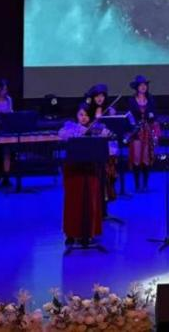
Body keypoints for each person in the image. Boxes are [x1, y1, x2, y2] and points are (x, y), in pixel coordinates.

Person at [58, 103, 111, 246]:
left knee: (90, 202)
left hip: (91, 169)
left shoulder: (96, 129)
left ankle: (88, 233)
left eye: (87, 115)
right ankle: (71, 233)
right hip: (73, 170)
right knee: (73, 202)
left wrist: (104, 134)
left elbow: (108, 136)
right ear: (76, 115)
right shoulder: (69, 128)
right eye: (81, 114)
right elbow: (61, 134)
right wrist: (79, 131)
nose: (84, 117)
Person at [126, 75, 161, 192]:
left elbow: (155, 116)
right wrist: (132, 127)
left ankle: (145, 184)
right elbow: (129, 116)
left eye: (145, 85)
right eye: (141, 85)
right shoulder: (131, 100)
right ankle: (137, 185)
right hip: (136, 131)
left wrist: (154, 129)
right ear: (137, 87)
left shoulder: (151, 99)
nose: (143, 87)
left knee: (146, 158)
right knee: (136, 158)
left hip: (147, 131)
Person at [86, 84, 120, 199]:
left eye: (102, 96)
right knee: (97, 171)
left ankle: (109, 194)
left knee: (110, 171)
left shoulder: (110, 110)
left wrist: (113, 116)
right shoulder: (89, 111)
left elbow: (114, 127)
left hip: (108, 144)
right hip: (95, 144)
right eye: (97, 96)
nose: (99, 98)